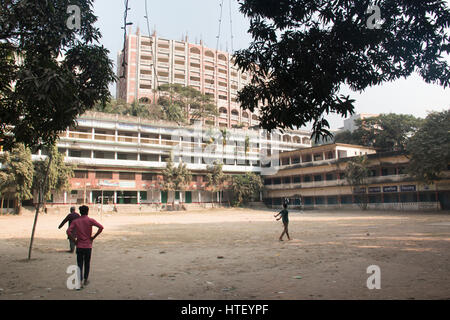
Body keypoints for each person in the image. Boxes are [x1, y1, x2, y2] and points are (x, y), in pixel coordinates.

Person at [67, 205, 104, 288]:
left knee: (79, 264)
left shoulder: (76, 221)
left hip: (79, 245)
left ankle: (79, 282)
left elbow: (68, 231)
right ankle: (86, 279)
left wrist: (74, 240)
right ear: (88, 211)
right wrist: (93, 237)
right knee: (87, 263)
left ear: (80, 212)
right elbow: (101, 227)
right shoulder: (90, 220)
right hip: (88, 246)